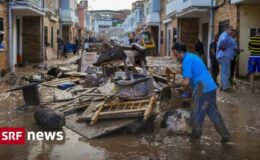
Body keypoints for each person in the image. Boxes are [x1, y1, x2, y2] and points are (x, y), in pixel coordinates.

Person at [172, 42, 231, 143]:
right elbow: (193, 78)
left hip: (202, 87)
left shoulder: (186, 61)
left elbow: (186, 82)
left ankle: (194, 142)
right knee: (213, 113)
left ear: (181, 52)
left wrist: (175, 85)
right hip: (211, 86)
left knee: (196, 115)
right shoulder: (193, 56)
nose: (175, 57)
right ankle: (225, 135)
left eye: (175, 54)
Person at [217, 26, 235, 92]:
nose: (232, 31)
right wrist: (222, 46)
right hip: (225, 56)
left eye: (232, 30)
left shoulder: (226, 35)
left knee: (223, 72)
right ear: (226, 29)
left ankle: (222, 86)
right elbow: (222, 41)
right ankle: (226, 87)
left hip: (225, 56)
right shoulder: (225, 35)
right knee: (226, 72)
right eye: (230, 30)